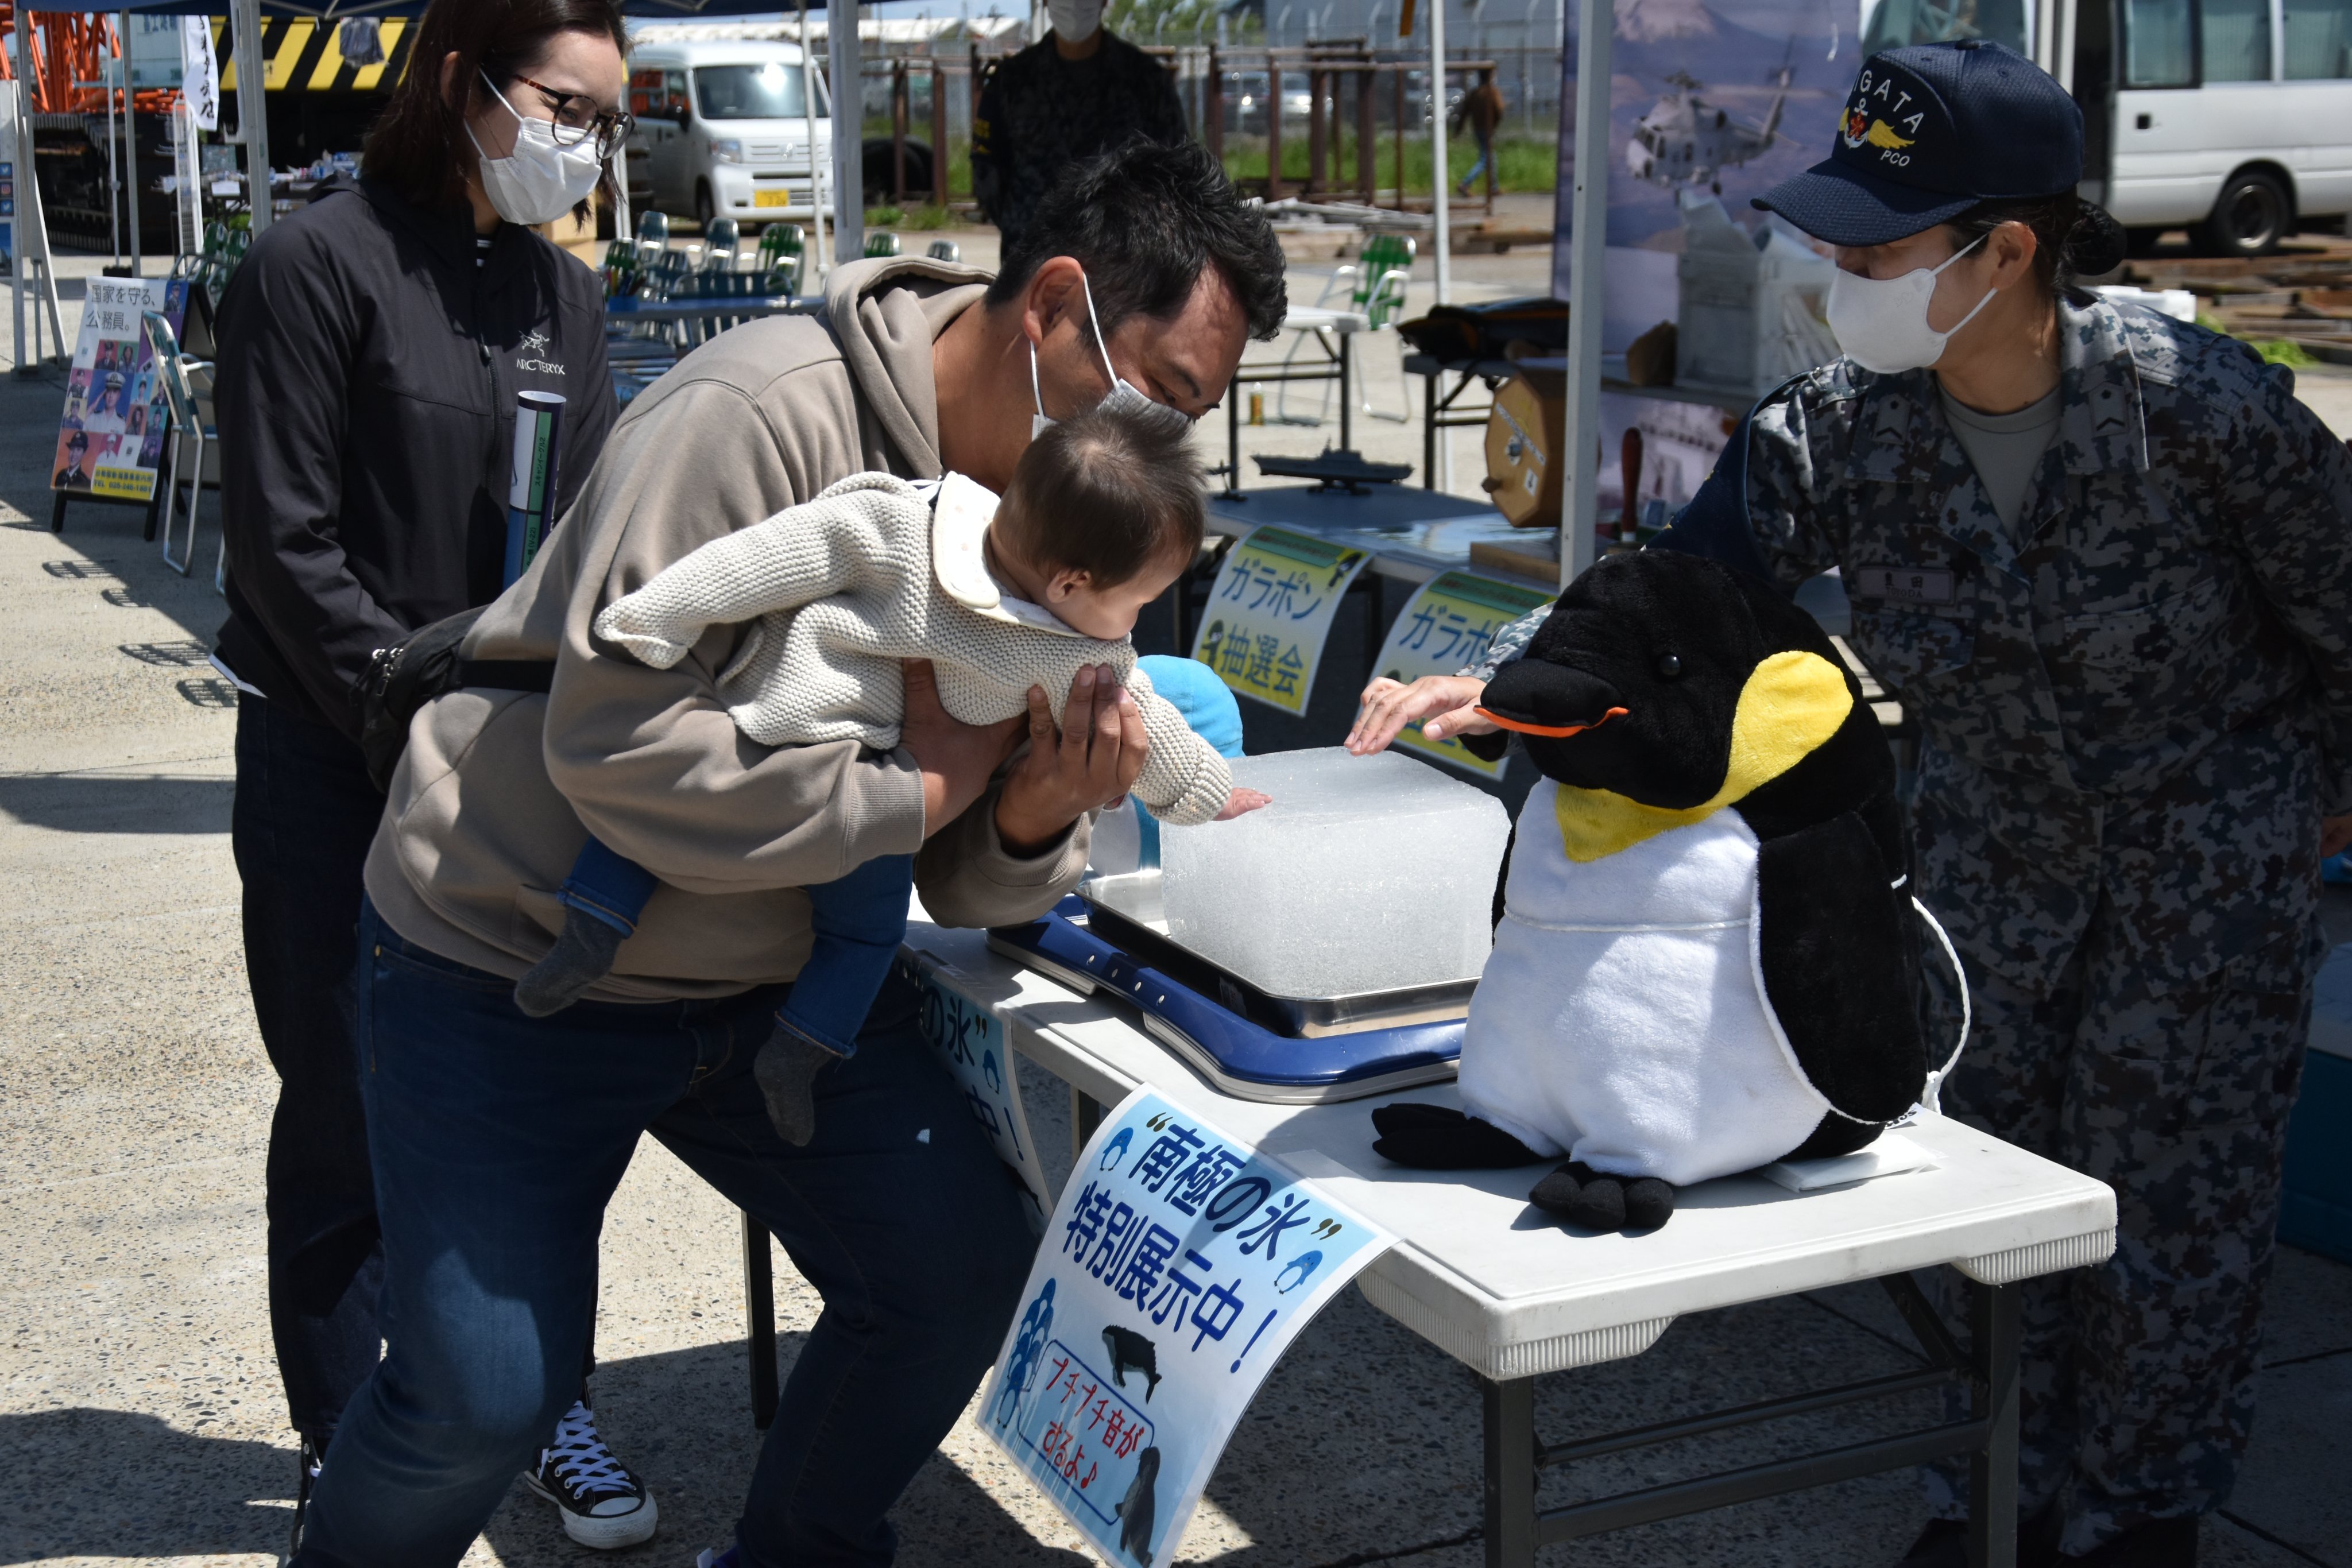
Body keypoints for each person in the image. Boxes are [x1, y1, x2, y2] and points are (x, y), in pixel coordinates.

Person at [1354, 40, 2352, 1568]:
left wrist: (2312, 820)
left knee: (2178, 1241)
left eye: (1875, 246)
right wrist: (1501, 683)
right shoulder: (1838, 433)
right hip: (1989, 894)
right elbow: (1667, 598)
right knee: (1990, 1227)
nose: (1832, 272)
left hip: (2209, 904)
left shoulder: (2195, 409)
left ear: (2006, 250)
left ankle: (2141, 1524)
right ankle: (1993, 1498)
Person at [292, 136, 1285, 1568]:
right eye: (1162, 394)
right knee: (478, 1400)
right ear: (1055, 308)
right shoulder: (755, 416)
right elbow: (616, 741)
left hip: (779, 981)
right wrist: (919, 793)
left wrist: (1025, 814)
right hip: (510, 957)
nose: (1166, 446)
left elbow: (961, 870)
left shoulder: (1077, 533)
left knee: (957, 1277)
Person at [207, 0, 653, 1552]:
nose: (584, 144)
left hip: (505, 770)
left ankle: (542, 1402)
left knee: (523, 1102)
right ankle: (352, 1436)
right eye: (565, 106)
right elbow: (283, 544)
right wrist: (404, 716)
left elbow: (594, 547)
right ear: (462, 84)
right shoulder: (312, 265)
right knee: (346, 1103)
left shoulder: (564, 299)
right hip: (335, 761)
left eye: (610, 119)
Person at [510, 409, 1267, 1144]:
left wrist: (1205, 786)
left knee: (672, 845)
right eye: (1137, 601)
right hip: (824, 751)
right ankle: (775, 1034)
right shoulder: (919, 535)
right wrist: (659, 614)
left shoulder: (1032, 612)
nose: (1134, 624)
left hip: (846, 770)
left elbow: (1156, 728)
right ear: (1070, 583)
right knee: (844, 926)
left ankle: (738, 1026)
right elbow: (772, 558)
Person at [970, 0, 1189, 251]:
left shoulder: (1148, 83)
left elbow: (1176, 172)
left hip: (1123, 263)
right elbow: (988, 174)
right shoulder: (1010, 82)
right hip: (1031, 259)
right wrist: (1024, 223)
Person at [1452, 78, 1507, 200]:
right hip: (1487, 129)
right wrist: (1496, 123)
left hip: (1478, 129)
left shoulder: (1475, 93)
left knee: (1491, 157)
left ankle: (1494, 187)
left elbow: (1465, 112)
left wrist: (1458, 130)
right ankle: (1465, 183)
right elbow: (1499, 109)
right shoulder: (1492, 92)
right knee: (1486, 159)